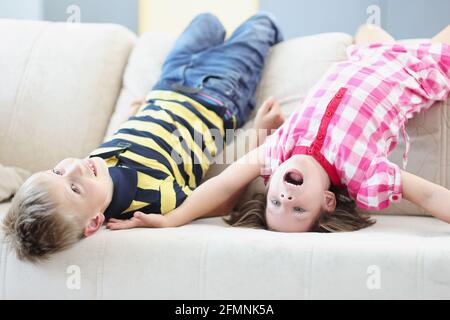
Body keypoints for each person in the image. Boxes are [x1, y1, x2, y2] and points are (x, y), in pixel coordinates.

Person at [105, 24, 450, 233]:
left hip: (366, 55)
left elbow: (223, 183)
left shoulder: (279, 149)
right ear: (328, 201)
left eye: (275, 203)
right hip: (416, 71)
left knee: (366, 30)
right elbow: (431, 195)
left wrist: (170, 220)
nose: (286, 198)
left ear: (270, 185)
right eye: (298, 209)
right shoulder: (361, 173)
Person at [2, 12, 284, 262]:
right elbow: (223, 198)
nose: (74, 167)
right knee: (262, 23)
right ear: (94, 222)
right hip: (217, 95)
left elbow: (120, 138)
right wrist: (261, 134)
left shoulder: (92, 168)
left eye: (57, 170)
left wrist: (134, 113)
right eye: (74, 188)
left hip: (167, 83)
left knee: (207, 21)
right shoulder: (151, 199)